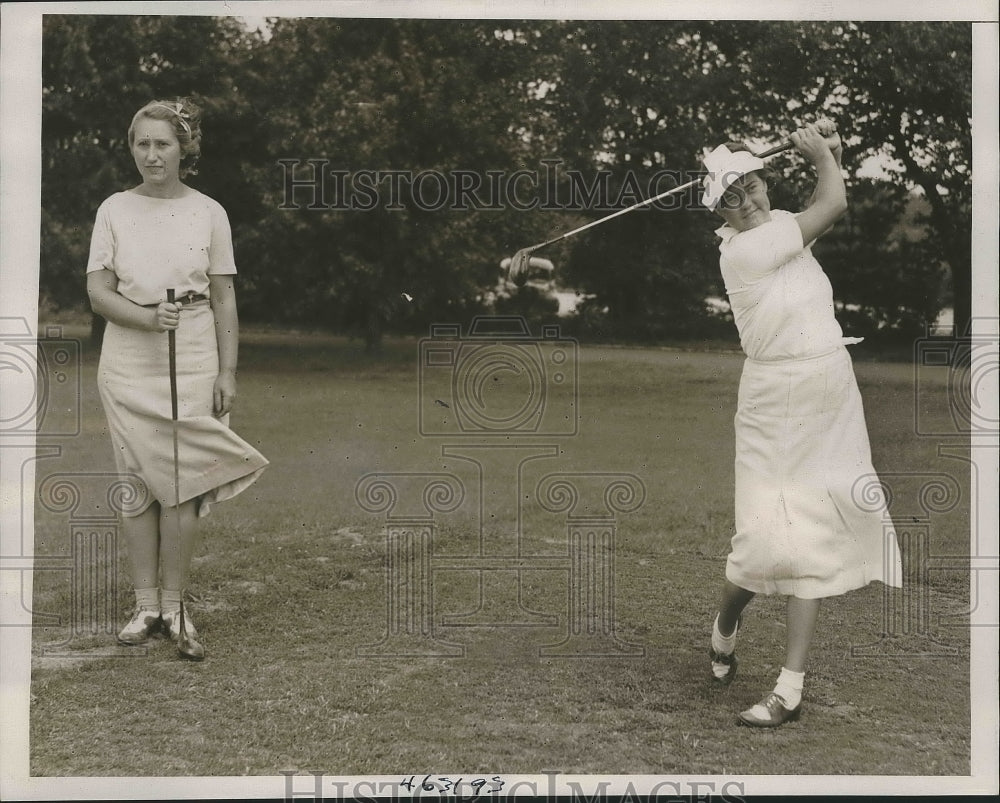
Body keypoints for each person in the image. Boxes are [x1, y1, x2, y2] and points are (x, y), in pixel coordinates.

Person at [700, 120, 902, 726]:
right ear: (721, 214)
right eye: (734, 199)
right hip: (771, 400)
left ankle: (788, 688)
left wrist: (829, 152)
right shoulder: (744, 251)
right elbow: (834, 200)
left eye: (756, 186)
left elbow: (822, 195)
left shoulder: (779, 226)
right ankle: (726, 621)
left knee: (810, 534)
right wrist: (822, 156)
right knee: (762, 543)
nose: (751, 202)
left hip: (828, 392)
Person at [86, 98, 269, 660]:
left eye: (162, 143)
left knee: (183, 484)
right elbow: (98, 292)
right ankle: (145, 607)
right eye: (141, 143)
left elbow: (223, 296)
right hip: (127, 359)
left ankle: (175, 604)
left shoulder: (209, 211)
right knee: (137, 484)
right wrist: (145, 317)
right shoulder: (114, 208)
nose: (151, 154)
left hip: (192, 354)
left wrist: (228, 372)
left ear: (184, 148)